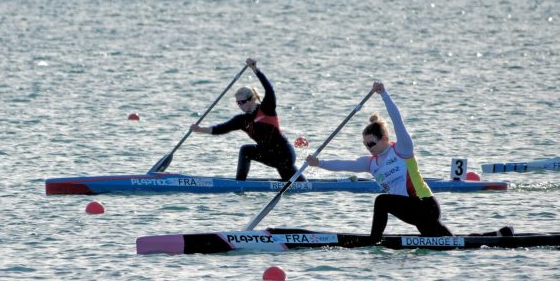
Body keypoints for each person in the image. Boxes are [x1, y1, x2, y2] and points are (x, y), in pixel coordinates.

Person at [306, 81, 512, 245]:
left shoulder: (402, 149)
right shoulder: (371, 163)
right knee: (451, 243)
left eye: (371, 143)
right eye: (365, 145)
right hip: (413, 212)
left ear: (385, 138)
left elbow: (397, 120)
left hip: (425, 205)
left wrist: (384, 95)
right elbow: (344, 164)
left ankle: (373, 240)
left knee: (382, 201)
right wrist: (318, 162)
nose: (368, 148)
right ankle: (497, 235)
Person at [191, 58, 304, 181]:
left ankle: (240, 184)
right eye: (238, 103)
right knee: (246, 151)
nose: (240, 105)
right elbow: (221, 128)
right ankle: (240, 183)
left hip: (283, 154)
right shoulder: (241, 120)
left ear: (252, 99)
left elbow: (269, 89)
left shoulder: (267, 108)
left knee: (293, 180)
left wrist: (255, 69)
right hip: (268, 155)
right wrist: (200, 129)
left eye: (242, 102)